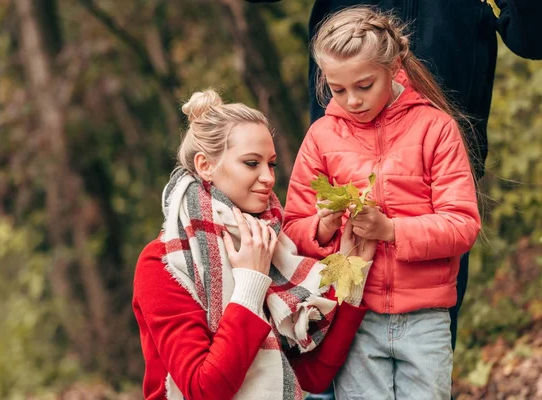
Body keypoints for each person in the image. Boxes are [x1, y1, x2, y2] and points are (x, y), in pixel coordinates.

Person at [283, 7, 481, 399]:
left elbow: (462, 225)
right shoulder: (321, 136)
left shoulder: (435, 128)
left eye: (364, 85)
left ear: (393, 66)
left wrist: (391, 230)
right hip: (355, 314)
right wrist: (322, 226)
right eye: (338, 90)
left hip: (426, 318)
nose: (352, 100)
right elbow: (292, 229)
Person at [132, 89, 377, 400]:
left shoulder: (273, 246)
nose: (268, 177)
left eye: (271, 164)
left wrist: (351, 276)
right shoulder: (163, 262)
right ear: (205, 165)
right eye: (251, 163)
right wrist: (250, 283)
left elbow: (312, 375)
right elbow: (202, 390)